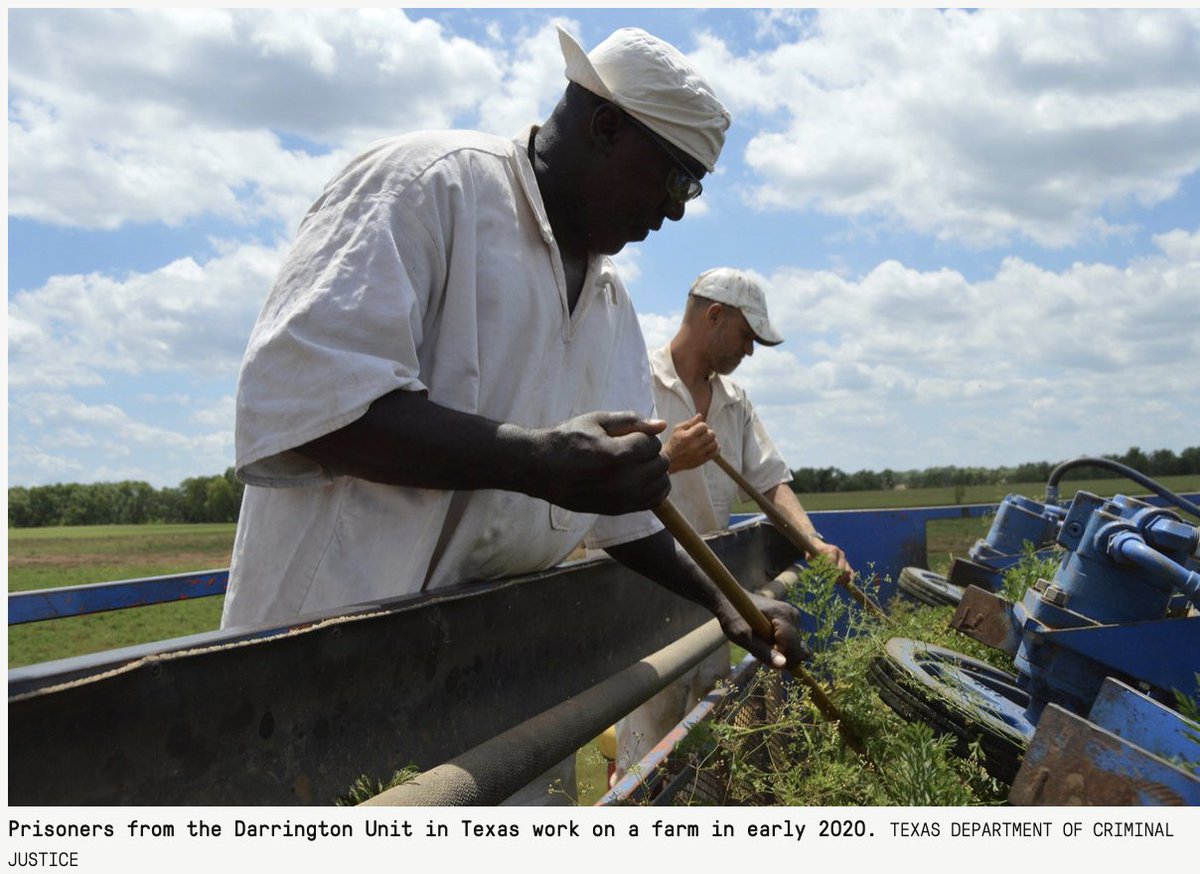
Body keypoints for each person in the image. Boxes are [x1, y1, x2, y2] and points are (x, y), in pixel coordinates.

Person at [221, 27, 809, 802]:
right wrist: (539, 461)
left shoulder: (610, 305)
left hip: (494, 685)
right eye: (674, 179)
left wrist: (724, 599)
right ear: (606, 127)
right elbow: (312, 403)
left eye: (690, 192)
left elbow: (631, 516)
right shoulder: (430, 187)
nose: (674, 212)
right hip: (325, 683)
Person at [615, 267, 853, 779]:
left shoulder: (734, 401)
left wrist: (811, 541)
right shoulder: (634, 378)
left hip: (712, 593)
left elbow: (770, 482)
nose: (749, 351)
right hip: (648, 590)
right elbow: (607, 479)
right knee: (646, 755)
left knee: (708, 750)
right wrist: (669, 458)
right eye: (746, 336)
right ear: (714, 316)